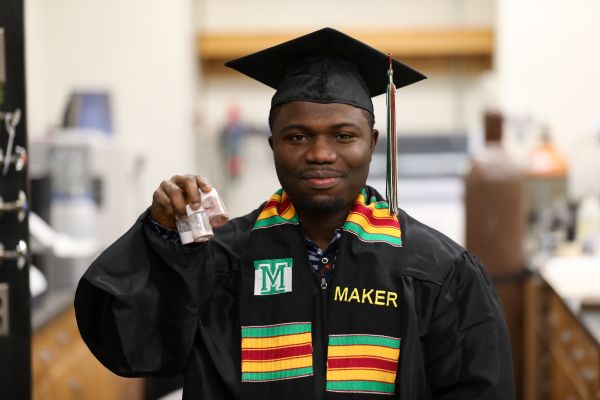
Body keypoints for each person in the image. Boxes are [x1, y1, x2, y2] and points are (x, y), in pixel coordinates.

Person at [75, 28, 515, 399]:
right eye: (297, 137)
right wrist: (162, 237)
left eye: (343, 136)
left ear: (373, 143)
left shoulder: (436, 270)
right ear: (272, 146)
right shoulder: (219, 260)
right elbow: (133, 348)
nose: (320, 154)